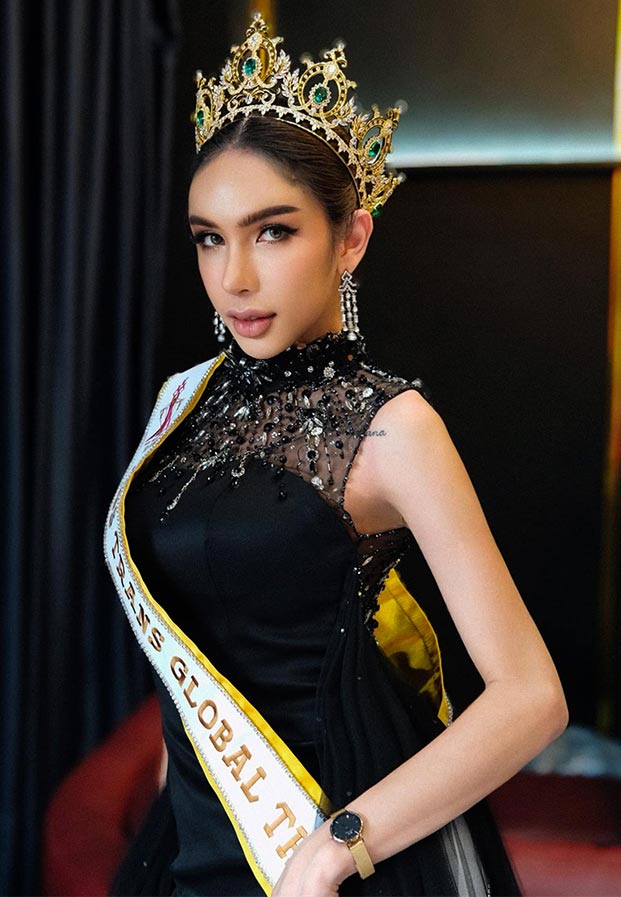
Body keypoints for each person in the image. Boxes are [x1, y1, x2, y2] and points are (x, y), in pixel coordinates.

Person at [104, 13, 568, 897]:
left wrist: (332, 849)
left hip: (326, 855)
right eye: (210, 236)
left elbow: (531, 695)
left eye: (273, 232)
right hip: (192, 851)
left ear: (350, 238)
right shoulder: (185, 405)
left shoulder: (392, 426)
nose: (234, 277)